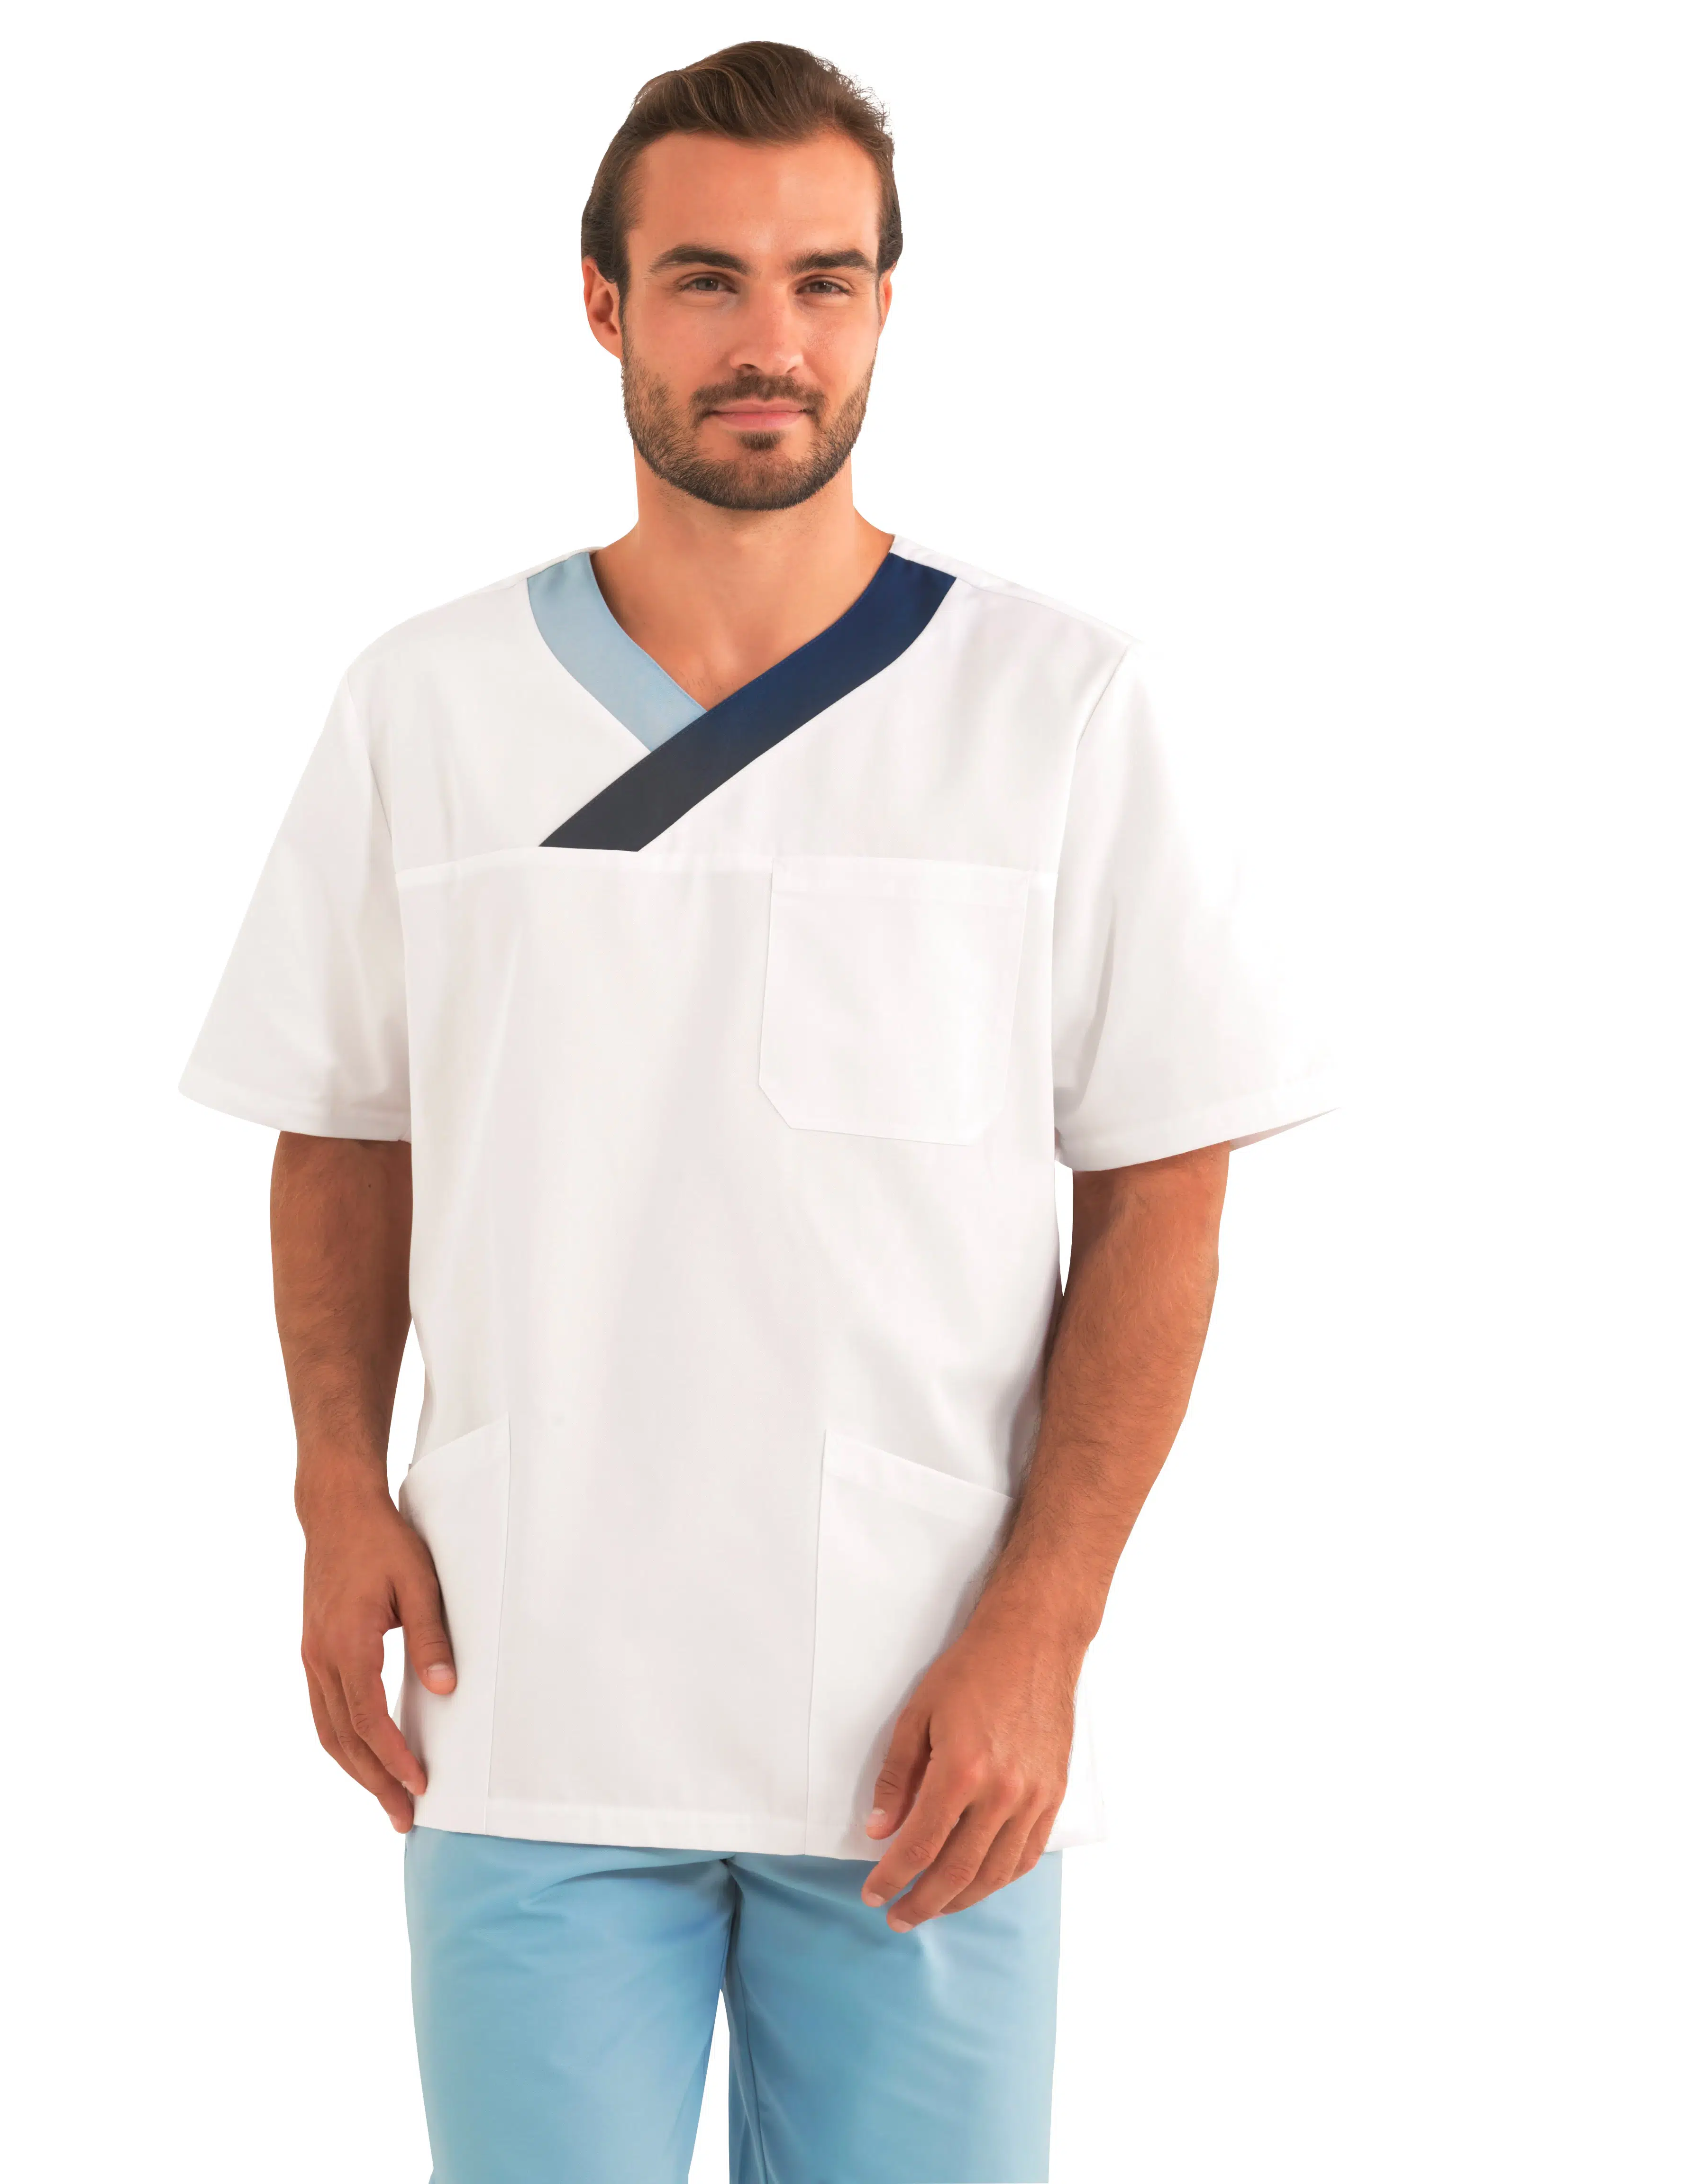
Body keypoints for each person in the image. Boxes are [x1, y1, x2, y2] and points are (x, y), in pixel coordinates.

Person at [181, 39, 1333, 2184]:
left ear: (888, 304)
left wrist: (1046, 1626)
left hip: (924, 1728)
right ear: (603, 302)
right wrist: (335, 1484)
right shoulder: (428, 703)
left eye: (826, 280)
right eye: (707, 278)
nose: (769, 341)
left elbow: (1158, 1196)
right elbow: (342, 1128)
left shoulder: (1060, 707)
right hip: (526, 1695)